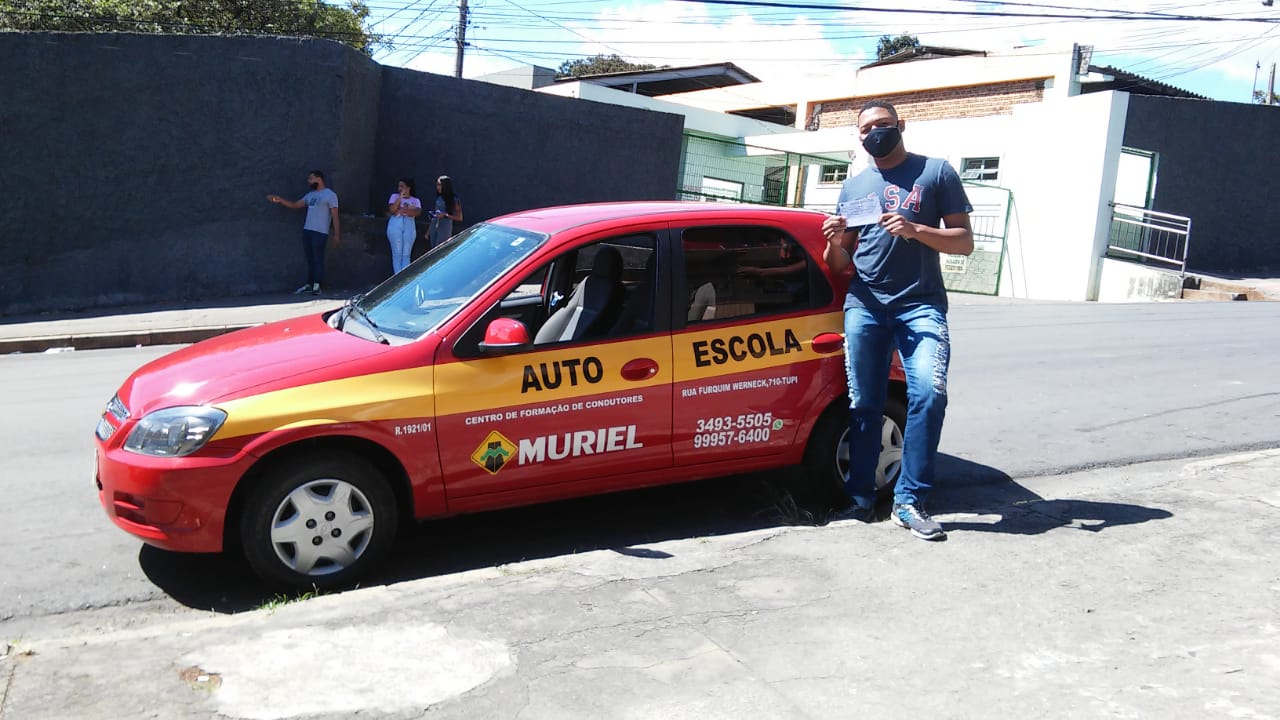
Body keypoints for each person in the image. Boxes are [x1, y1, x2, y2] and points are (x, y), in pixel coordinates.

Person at [821, 100, 974, 541]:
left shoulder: (936, 172)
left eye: (881, 125)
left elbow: (963, 242)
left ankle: (909, 501)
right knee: (864, 404)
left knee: (928, 392)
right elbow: (840, 262)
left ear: (900, 126)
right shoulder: (854, 187)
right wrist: (833, 242)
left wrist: (915, 230)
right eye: (865, 129)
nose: (874, 134)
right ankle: (860, 498)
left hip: (920, 305)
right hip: (865, 305)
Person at [267, 170, 340, 295]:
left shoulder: (330, 195)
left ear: (319, 179)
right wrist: (280, 200)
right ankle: (309, 284)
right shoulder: (310, 195)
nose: (309, 181)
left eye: (311, 179)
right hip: (308, 231)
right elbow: (295, 205)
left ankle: (317, 285)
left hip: (320, 232)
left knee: (318, 259)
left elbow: (335, 215)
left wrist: (337, 235)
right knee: (310, 259)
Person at [386, 177, 422, 274]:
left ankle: (405, 279)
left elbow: (417, 212)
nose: (400, 188)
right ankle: (397, 278)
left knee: (406, 254)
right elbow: (392, 210)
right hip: (395, 224)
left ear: (408, 188)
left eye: (402, 186)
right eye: (399, 186)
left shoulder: (415, 200)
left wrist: (402, 210)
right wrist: (400, 198)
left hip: (409, 225)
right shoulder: (394, 197)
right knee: (397, 254)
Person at [426, 175, 463, 249]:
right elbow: (436, 213)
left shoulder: (454, 199)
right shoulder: (439, 197)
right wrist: (428, 231)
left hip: (445, 227)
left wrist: (445, 215)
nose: (438, 187)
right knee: (433, 249)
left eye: (440, 185)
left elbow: (460, 218)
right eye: (437, 185)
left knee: (440, 249)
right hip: (435, 225)